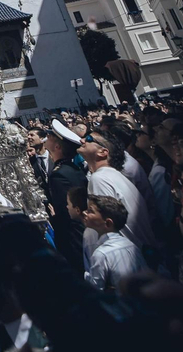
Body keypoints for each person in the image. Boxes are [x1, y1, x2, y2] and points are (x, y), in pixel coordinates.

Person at [80, 134, 153, 254]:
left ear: (102, 152)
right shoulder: (109, 176)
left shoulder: (101, 179)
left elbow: (105, 228)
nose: (82, 140)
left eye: (89, 139)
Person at [41, 119, 88, 274]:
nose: (46, 138)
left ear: (57, 147)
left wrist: (54, 217)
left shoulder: (59, 175)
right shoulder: (72, 168)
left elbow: (65, 214)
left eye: (50, 137)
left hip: (72, 238)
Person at [81, 196, 146, 293]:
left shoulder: (101, 254)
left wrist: (87, 276)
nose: (84, 212)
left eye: (91, 211)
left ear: (108, 223)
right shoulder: (132, 245)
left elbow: (95, 291)